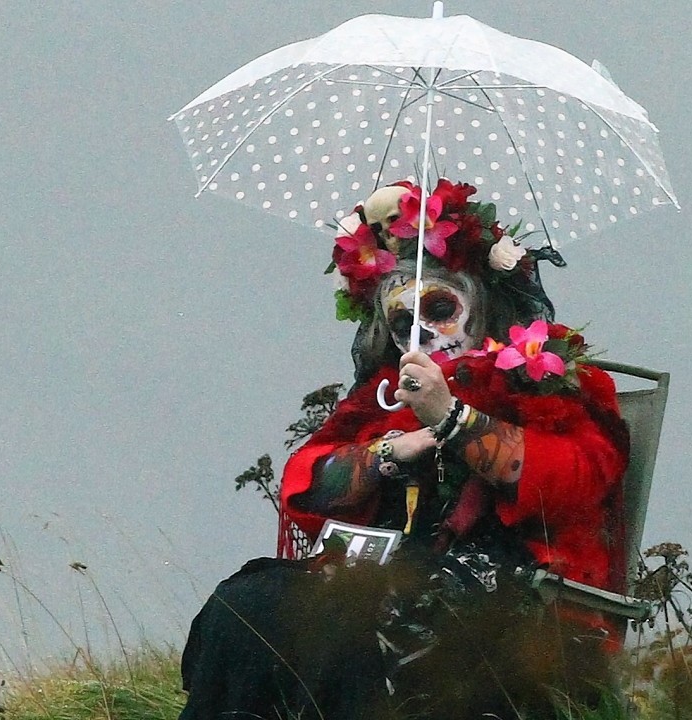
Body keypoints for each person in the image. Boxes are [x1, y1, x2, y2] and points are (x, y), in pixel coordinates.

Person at [178, 179, 630, 720]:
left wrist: (454, 419)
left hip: (508, 593)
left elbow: (576, 479)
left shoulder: (545, 380)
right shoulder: (387, 395)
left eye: (439, 308)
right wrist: (386, 453)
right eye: (401, 321)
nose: (420, 331)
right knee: (246, 607)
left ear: (482, 304)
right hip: (390, 567)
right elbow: (306, 480)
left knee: (359, 624)